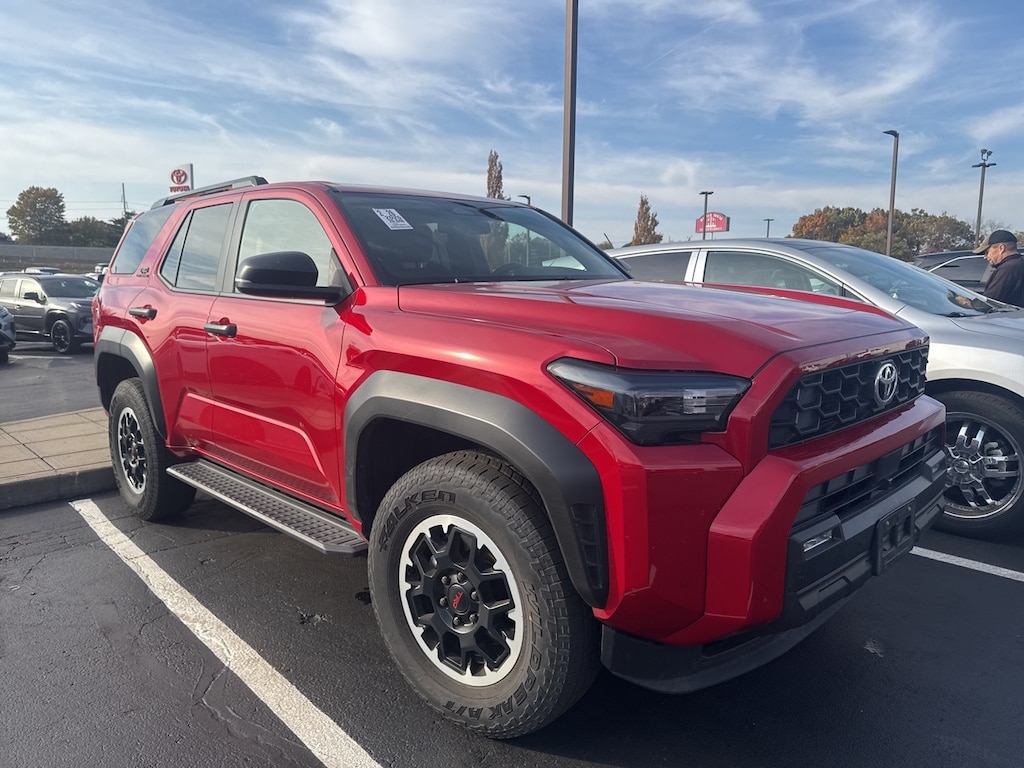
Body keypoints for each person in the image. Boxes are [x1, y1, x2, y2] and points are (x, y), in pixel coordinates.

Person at [975, 229, 1024, 306]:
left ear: (1001, 248)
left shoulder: (1008, 269)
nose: (985, 257)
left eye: (987, 252)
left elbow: (989, 303)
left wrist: (968, 302)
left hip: (1008, 317)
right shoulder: (1019, 264)